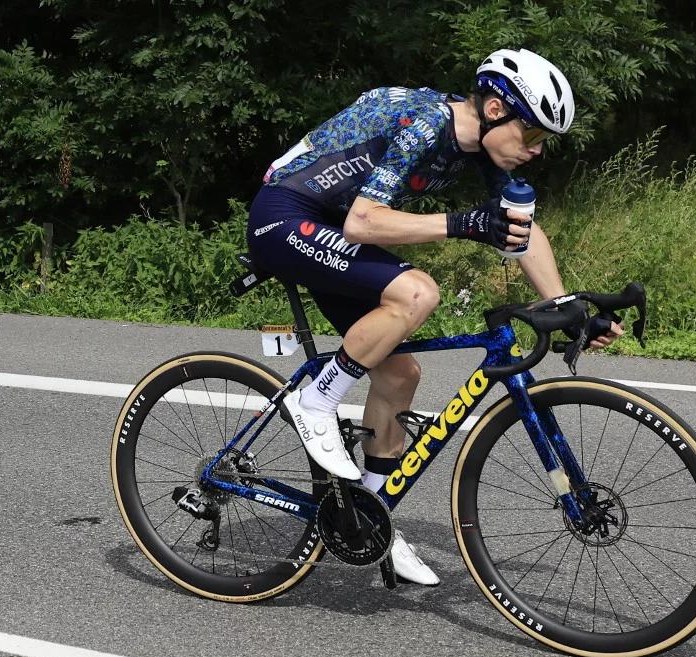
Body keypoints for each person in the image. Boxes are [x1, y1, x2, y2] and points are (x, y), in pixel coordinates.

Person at [248, 48, 623, 585]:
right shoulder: (424, 124)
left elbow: (522, 230)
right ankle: (316, 401)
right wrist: (466, 224)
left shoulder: (484, 152)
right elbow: (362, 221)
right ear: (496, 109)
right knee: (418, 293)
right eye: (534, 135)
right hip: (284, 215)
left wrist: (566, 307)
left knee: (400, 375)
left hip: (328, 228)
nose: (537, 152)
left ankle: (368, 524)